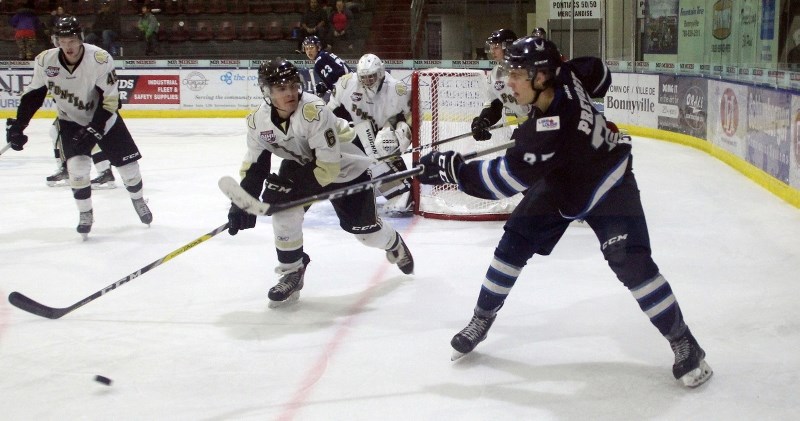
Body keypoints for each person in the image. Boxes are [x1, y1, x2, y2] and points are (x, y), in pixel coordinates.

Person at [418, 36, 713, 388]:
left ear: (541, 77)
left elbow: (502, 181)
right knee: (513, 243)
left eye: (517, 74)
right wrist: (592, 108)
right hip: (563, 181)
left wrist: (454, 172)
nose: (509, 81)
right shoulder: (568, 73)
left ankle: (685, 343)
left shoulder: (550, 131)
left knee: (630, 262)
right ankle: (482, 318)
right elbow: (599, 72)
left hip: (608, 183)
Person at [226, 58, 414, 307]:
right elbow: (254, 167)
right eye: (282, 89)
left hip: (346, 166)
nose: (291, 92)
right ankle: (292, 271)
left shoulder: (313, 110)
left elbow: (327, 168)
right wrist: (242, 203)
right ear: (267, 92)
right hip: (304, 163)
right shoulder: (256, 122)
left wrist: (289, 187)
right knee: (284, 211)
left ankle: (394, 242)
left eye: (293, 85)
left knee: (364, 233)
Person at [6, 16, 152, 239]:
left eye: (72, 40)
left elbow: (111, 101)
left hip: (105, 120)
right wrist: (19, 126)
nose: (68, 46)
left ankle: (138, 199)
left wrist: (95, 129)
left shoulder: (100, 59)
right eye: (62, 41)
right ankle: (86, 214)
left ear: (81, 39)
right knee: (77, 170)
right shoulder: (46, 60)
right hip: (71, 121)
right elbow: (34, 95)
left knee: (129, 170)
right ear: (56, 41)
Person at [327, 53, 414, 216]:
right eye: (364, 77)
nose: (367, 81)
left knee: (384, 142)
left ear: (380, 73)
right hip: (357, 130)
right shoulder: (346, 84)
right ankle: (372, 185)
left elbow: (411, 115)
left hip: (385, 132)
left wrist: (405, 131)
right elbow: (330, 111)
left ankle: (404, 190)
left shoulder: (397, 89)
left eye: (372, 76)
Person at [470, 29, 530, 142]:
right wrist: (482, 122)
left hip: (548, 126)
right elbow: (494, 107)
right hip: (526, 127)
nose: (492, 50)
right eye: (491, 47)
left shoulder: (528, 69)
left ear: (508, 47)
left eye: (496, 47)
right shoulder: (494, 75)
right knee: (512, 156)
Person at [45, 119, 116, 189]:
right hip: (71, 111)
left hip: (86, 111)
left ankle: (105, 171)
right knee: (55, 131)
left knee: (90, 133)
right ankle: (66, 169)